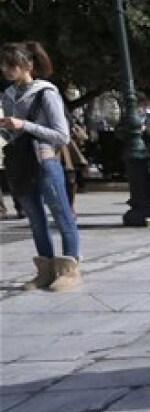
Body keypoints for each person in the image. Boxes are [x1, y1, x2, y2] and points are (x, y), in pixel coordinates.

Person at [0, 41, 83, 291]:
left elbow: (62, 135)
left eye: (11, 65)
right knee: (36, 219)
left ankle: (70, 270)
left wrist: (22, 125)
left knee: (61, 215)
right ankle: (45, 270)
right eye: (3, 65)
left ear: (28, 65)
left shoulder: (46, 92)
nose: (6, 70)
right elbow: (15, 133)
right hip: (20, 163)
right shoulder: (8, 94)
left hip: (45, 160)